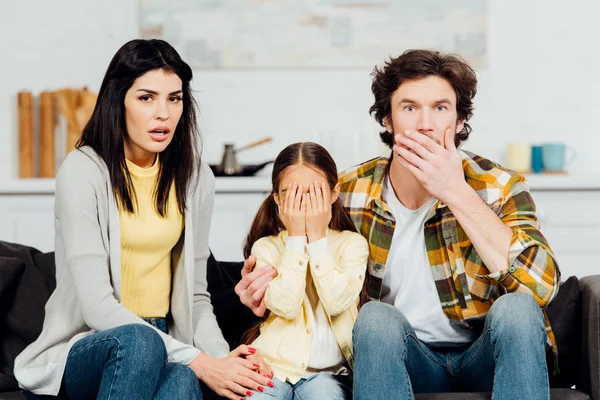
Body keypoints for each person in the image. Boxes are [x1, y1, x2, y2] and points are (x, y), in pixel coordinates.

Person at [234, 49, 560, 400]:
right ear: (388, 121)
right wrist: (256, 288)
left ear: (460, 119)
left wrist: (456, 192)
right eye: (409, 108)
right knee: (375, 318)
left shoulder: (500, 185)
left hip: (486, 357)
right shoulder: (349, 191)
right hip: (401, 360)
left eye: (440, 108)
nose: (425, 124)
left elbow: (541, 287)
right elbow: (302, 256)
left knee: (518, 307)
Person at [14, 39, 272, 400]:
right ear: (118, 101)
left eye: (174, 98)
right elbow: (97, 307)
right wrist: (198, 359)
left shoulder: (195, 177)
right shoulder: (83, 171)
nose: (163, 113)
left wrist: (220, 360)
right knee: (141, 342)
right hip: (94, 344)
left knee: (182, 381)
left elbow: (196, 298)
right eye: (146, 98)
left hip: (167, 340)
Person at [239, 142, 368, 400]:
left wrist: (318, 238)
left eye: (314, 193)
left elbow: (336, 302)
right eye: (293, 194)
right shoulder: (266, 247)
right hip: (271, 367)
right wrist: (297, 238)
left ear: (333, 194)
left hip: (330, 374)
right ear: (277, 198)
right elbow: (285, 305)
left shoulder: (352, 244)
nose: (304, 204)